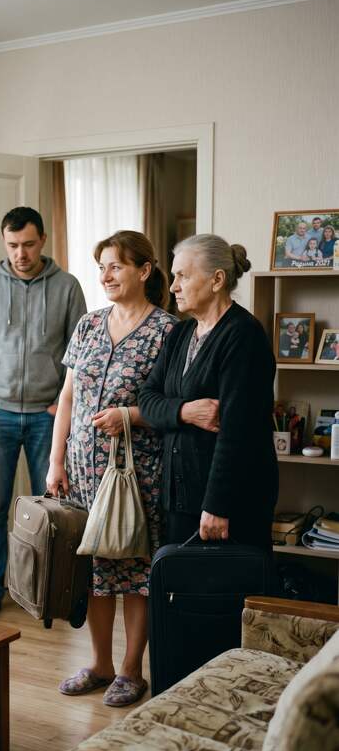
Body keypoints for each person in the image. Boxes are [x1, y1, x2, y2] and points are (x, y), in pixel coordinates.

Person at [47, 230, 176, 706]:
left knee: (134, 568)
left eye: (116, 266)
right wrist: (55, 460)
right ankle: (100, 665)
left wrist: (131, 416)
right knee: (94, 573)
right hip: (82, 470)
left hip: (136, 471)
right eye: (101, 266)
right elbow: (67, 398)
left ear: (144, 271)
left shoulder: (168, 331)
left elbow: (172, 406)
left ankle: (130, 670)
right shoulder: (87, 325)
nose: (105, 276)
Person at [0, 207, 86, 621]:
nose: (21, 254)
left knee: (52, 512)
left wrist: (58, 405)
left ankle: (49, 592)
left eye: (28, 244)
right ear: (4, 243)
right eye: (12, 245)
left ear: (43, 241)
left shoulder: (67, 287)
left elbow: (79, 353)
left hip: (46, 418)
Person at [139, 234, 278, 550]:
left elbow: (238, 433)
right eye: (174, 276)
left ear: (217, 280)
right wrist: (184, 412)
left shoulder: (244, 336)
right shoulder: (181, 332)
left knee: (228, 597)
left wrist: (218, 506)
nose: (173, 286)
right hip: (182, 498)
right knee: (184, 595)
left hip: (228, 504)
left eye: (183, 276)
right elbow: (146, 400)